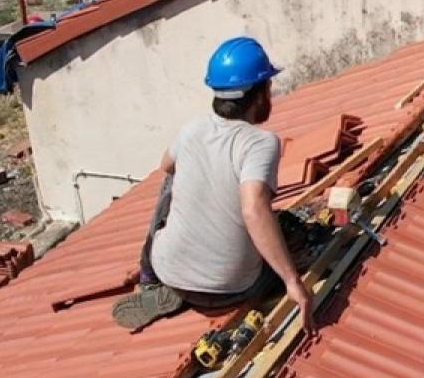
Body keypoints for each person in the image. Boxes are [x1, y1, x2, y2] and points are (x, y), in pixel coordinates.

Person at [112, 36, 314, 331]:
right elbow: (254, 209)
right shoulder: (261, 143)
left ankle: (150, 280)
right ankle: (219, 273)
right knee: (285, 233)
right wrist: (293, 282)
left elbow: (166, 166)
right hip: (233, 288)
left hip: (170, 270)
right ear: (260, 94)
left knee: (171, 178)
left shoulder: (193, 128)